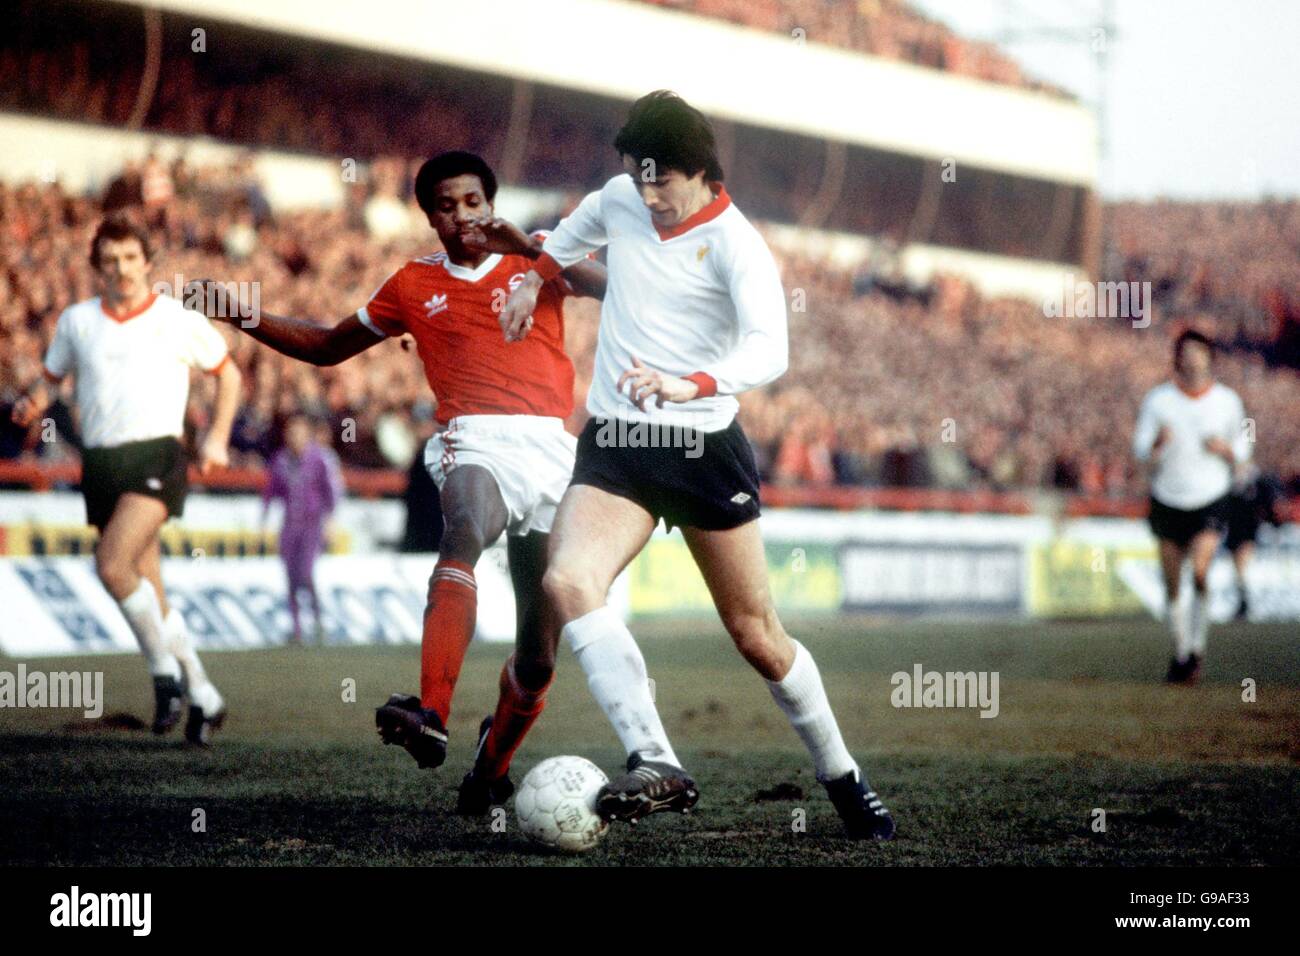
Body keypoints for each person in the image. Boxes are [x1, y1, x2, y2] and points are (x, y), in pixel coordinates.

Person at [501, 91, 896, 839]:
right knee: (566, 580)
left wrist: (693, 383)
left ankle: (843, 776)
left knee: (757, 635)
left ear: (702, 171)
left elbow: (768, 349)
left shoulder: (738, 245)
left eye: (664, 183)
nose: (649, 197)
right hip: (617, 442)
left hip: (701, 447)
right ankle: (656, 759)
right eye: (639, 179)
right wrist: (532, 279)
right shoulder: (622, 197)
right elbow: (569, 236)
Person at [196, 152, 606, 814]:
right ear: (429, 216)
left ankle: (488, 769)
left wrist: (529, 247)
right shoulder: (413, 285)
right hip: (474, 436)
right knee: (465, 530)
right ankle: (432, 712)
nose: (463, 215)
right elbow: (328, 343)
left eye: (474, 201)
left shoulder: (540, 258)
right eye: (446, 205)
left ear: (490, 203)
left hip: (556, 452)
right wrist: (240, 313)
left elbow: (608, 287)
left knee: (539, 654)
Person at [10, 213, 239, 744]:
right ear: (96, 267)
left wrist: (217, 438)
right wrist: (31, 404)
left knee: (112, 567)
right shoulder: (77, 321)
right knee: (148, 585)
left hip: (158, 455)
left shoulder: (175, 317)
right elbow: (50, 382)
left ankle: (164, 677)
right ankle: (203, 693)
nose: (122, 269)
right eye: (110, 260)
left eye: (131, 258)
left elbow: (228, 374)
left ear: (147, 262)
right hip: (102, 463)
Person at [1132, 329, 1251, 683]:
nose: (1192, 359)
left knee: (1200, 569)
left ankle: (1197, 649)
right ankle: (1181, 651)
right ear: (1176, 358)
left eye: (1198, 353)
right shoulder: (1159, 401)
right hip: (1168, 497)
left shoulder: (1228, 401)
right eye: (1186, 352)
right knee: (1172, 583)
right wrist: (1156, 444)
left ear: (1210, 358)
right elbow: (1140, 449)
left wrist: (1227, 451)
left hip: (1210, 496)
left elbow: (1244, 443)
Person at [262, 414, 344, 643]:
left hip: (312, 523)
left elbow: (331, 491)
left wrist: (330, 519)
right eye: (291, 432)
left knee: (306, 573)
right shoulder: (281, 460)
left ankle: (317, 620)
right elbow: (271, 491)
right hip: (290, 524)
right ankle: (296, 628)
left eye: (298, 432)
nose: (294, 437)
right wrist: (264, 518)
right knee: (290, 575)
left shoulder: (319, 459)